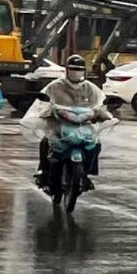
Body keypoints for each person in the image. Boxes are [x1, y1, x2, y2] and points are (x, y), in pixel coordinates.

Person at [35, 54, 109, 189]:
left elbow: (98, 104)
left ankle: (86, 173)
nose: (76, 72)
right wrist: (47, 112)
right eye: (73, 69)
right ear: (66, 70)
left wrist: (101, 113)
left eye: (79, 69)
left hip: (82, 125)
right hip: (59, 124)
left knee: (96, 144)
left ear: (84, 71)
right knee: (45, 141)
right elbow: (43, 103)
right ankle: (43, 170)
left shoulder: (90, 88)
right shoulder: (55, 86)